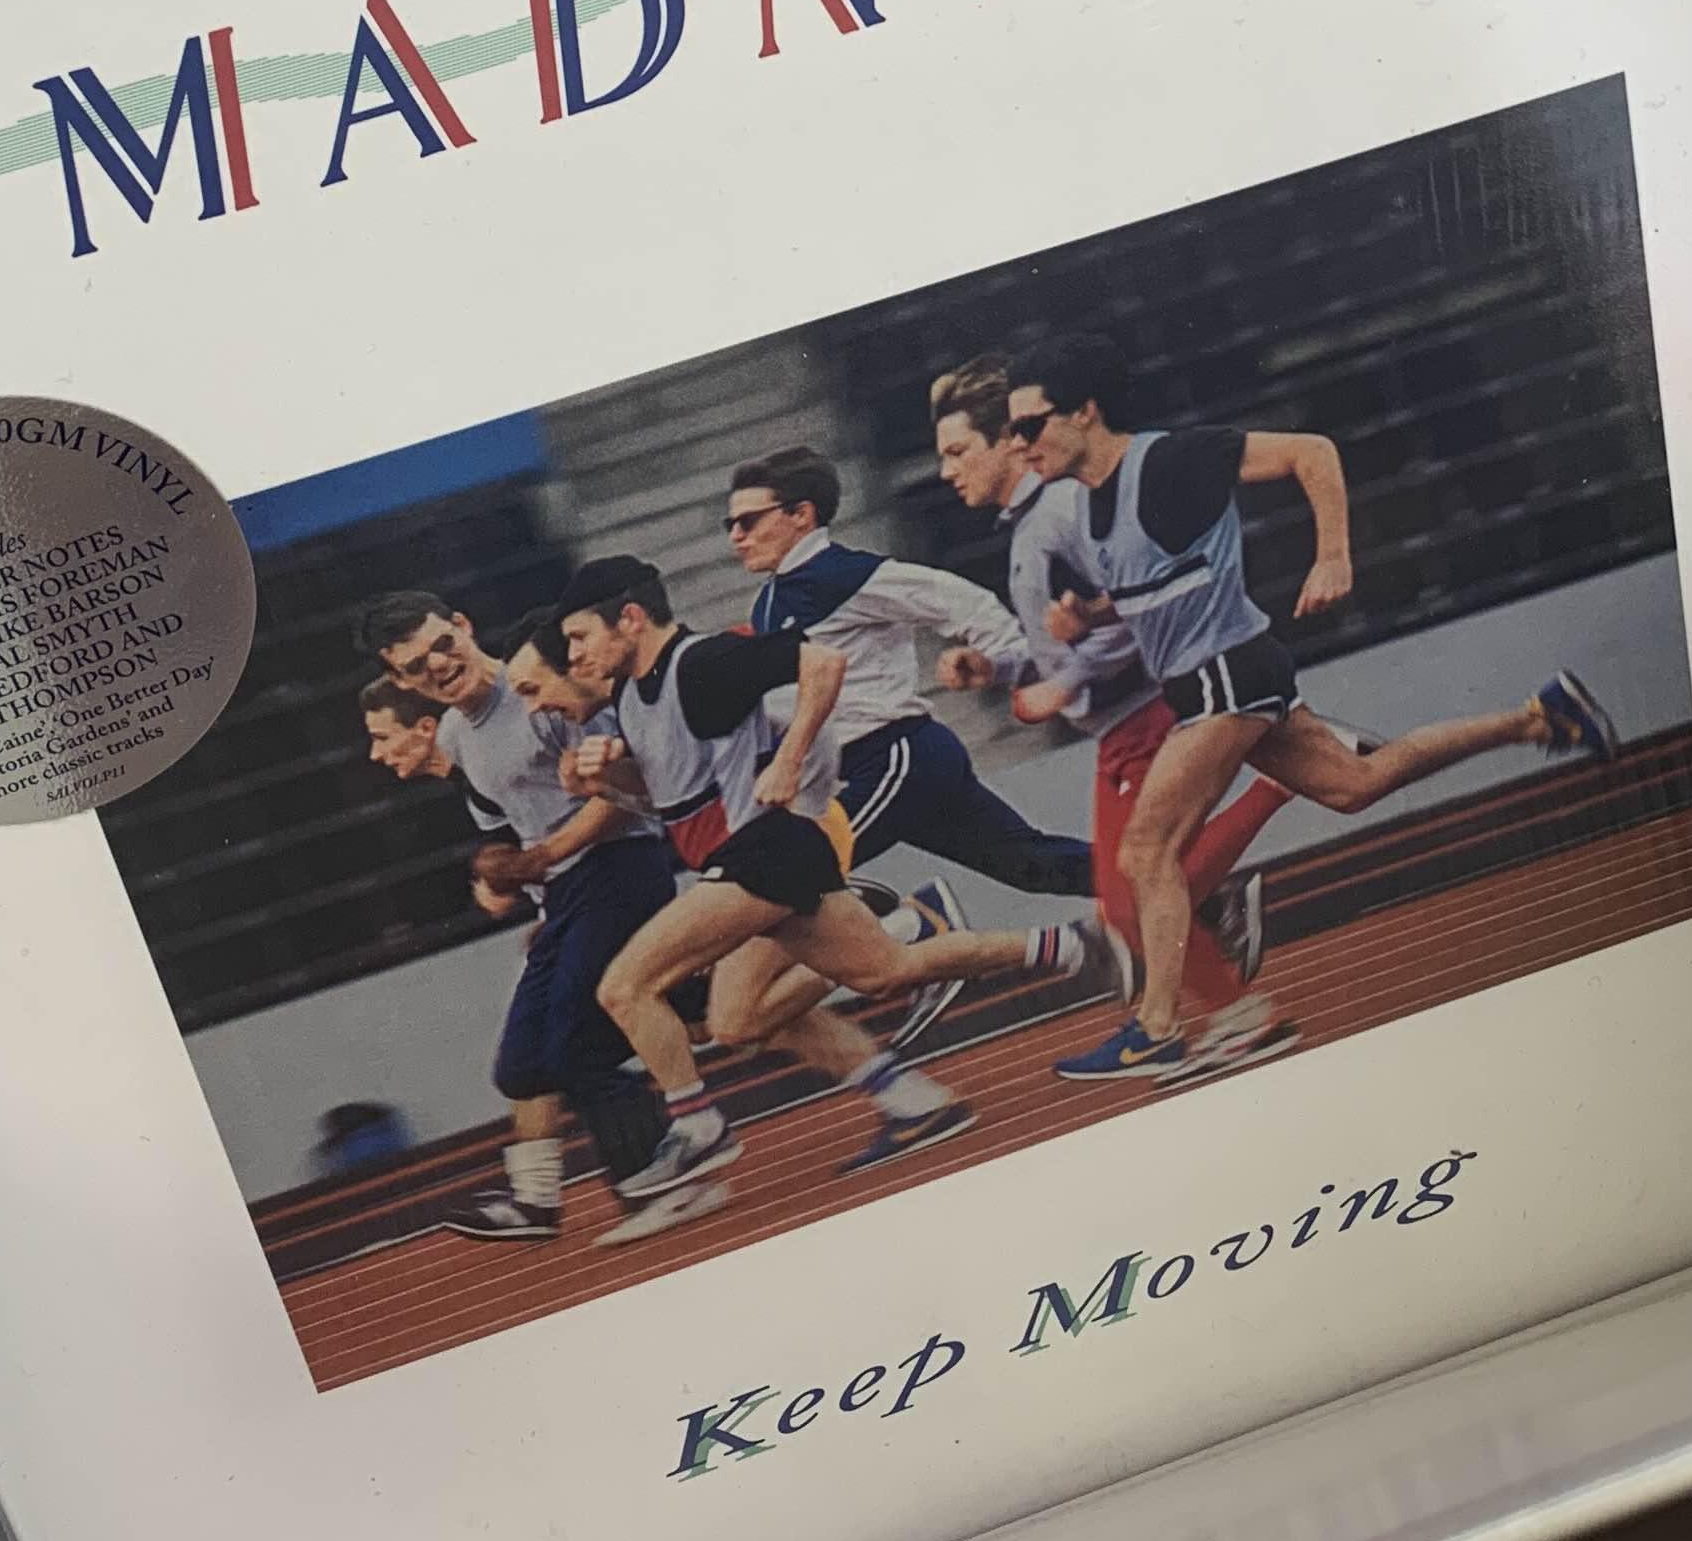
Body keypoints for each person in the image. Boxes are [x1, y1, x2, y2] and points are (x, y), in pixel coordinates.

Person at [1013, 339, 1617, 1080]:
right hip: (1215, 683)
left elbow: (1311, 452)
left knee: (1143, 852)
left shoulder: (1170, 460)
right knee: (1353, 786)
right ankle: (1537, 718)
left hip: (1226, 674)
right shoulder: (1090, 505)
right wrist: (1090, 617)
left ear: (1084, 411)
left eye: (1029, 425)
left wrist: (1333, 556)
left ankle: (1158, 1028)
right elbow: (1153, 584)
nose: (1019, 444)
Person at [557, 556, 1121, 1184]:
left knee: (624, 987)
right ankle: (1072, 945)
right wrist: (607, 780)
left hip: (762, 856)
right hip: (760, 860)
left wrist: (790, 760)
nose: (574, 655)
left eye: (580, 637)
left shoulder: (703, 662)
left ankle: (698, 1126)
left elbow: (823, 663)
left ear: (630, 619)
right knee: (861, 978)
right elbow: (671, 802)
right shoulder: (633, 695)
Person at [927, 353, 1285, 1066]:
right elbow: (1068, 636)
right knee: (1133, 889)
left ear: (1009, 442)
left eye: (958, 452)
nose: (945, 471)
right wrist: (998, 667)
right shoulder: (1033, 523)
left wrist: (1067, 685)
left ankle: (1235, 1013)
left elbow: (1137, 610)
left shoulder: (1061, 510)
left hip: (1145, 715)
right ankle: (1221, 961)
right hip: (1119, 728)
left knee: (1129, 897)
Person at [359, 593, 723, 1244]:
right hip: (563, 895)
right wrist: (504, 872)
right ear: (402, 680)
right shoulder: (456, 736)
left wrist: (545, 856)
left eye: (442, 645)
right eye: (416, 666)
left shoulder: (537, 684)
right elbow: (506, 833)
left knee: (577, 1047)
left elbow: (622, 792)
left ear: (464, 625)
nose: (438, 666)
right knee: (522, 1067)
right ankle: (723, 977)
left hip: (618, 867)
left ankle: (670, 1184)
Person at [723, 446, 1095, 899]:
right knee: (1036, 867)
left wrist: (999, 657)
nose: (736, 536)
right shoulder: (767, 602)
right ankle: (1163, 879)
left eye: (748, 521)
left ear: (801, 514)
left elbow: (963, 601)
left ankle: (909, 927)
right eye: (730, 525)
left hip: (897, 758)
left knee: (789, 875)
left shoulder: (844, 574)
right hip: (886, 765)